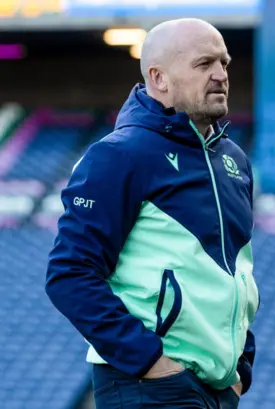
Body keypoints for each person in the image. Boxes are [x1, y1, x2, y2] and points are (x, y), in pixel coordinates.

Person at [45, 18, 259, 409]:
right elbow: (69, 275)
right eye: (204, 64)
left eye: (224, 63)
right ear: (158, 78)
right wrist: (151, 363)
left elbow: (238, 272)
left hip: (219, 389)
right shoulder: (119, 156)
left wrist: (241, 370)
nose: (220, 75)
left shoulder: (234, 160)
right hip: (151, 387)